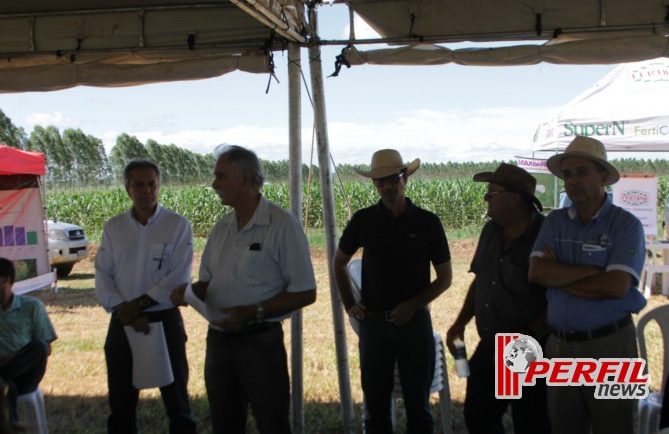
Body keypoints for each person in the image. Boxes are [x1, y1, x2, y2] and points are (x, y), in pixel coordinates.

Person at [171, 144, 316, 434]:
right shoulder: (222, 227)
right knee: (225, 423)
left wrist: (253, 312)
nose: (214, 185)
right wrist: (187, 293)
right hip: (219, 344)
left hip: (260, 344)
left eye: (221, 176)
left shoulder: (281, 225)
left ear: (247, 178)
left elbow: (306, 292)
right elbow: (208, 283)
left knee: (272, 423)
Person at [528, 136, 646, 434]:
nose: (572, 181)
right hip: (560, 346)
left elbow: (616, 286)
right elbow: (537, 273)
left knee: (614, 426)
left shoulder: (625, 225)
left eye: (582, 172)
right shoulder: (554, 222)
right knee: (565, 426)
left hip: (610, 346)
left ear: (603, 177)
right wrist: (592, 272)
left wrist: (560, 277)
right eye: (567, 174)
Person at [332, 149, 452, 434]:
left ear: (405, 177)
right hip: (373, 326)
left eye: (392, 179)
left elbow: (445, 278)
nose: (386, 186)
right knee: (375, 412)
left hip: (415, 326)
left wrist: (412, 306)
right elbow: (338, 263)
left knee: (419, 410)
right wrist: (349, 304)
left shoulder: (427, 222)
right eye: (379, 181)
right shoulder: (363, 220)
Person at [445, 163, 549, 434]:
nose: (485, 198)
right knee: (478, 417)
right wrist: (460, 323)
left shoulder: (546, 235)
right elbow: (481, 280)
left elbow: (558, 296)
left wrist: (529, 335)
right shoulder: (491, 231)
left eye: (492, 193)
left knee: (531, 422)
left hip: (530, 349)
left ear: (515, 197)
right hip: (491, 345)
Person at [95, 159, 197, 433]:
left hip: (164, 319)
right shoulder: (114, 228)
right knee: (121, 402)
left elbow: (178, 275)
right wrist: (124, 311)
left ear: (159, 185)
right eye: (138, 184)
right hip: (122, 320)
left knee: (177, 401)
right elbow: (102, 274)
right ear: (127, 188)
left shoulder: (177, 225)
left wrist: (138, 306)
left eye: (151, 183)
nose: (146, 190)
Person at [0, 257, 56, 423]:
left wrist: (15, 358)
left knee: (39, 346)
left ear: (8, 280)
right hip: (4, 374)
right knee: (5, 386)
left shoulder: (32, 306)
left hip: (26, 373)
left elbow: (46, 348)